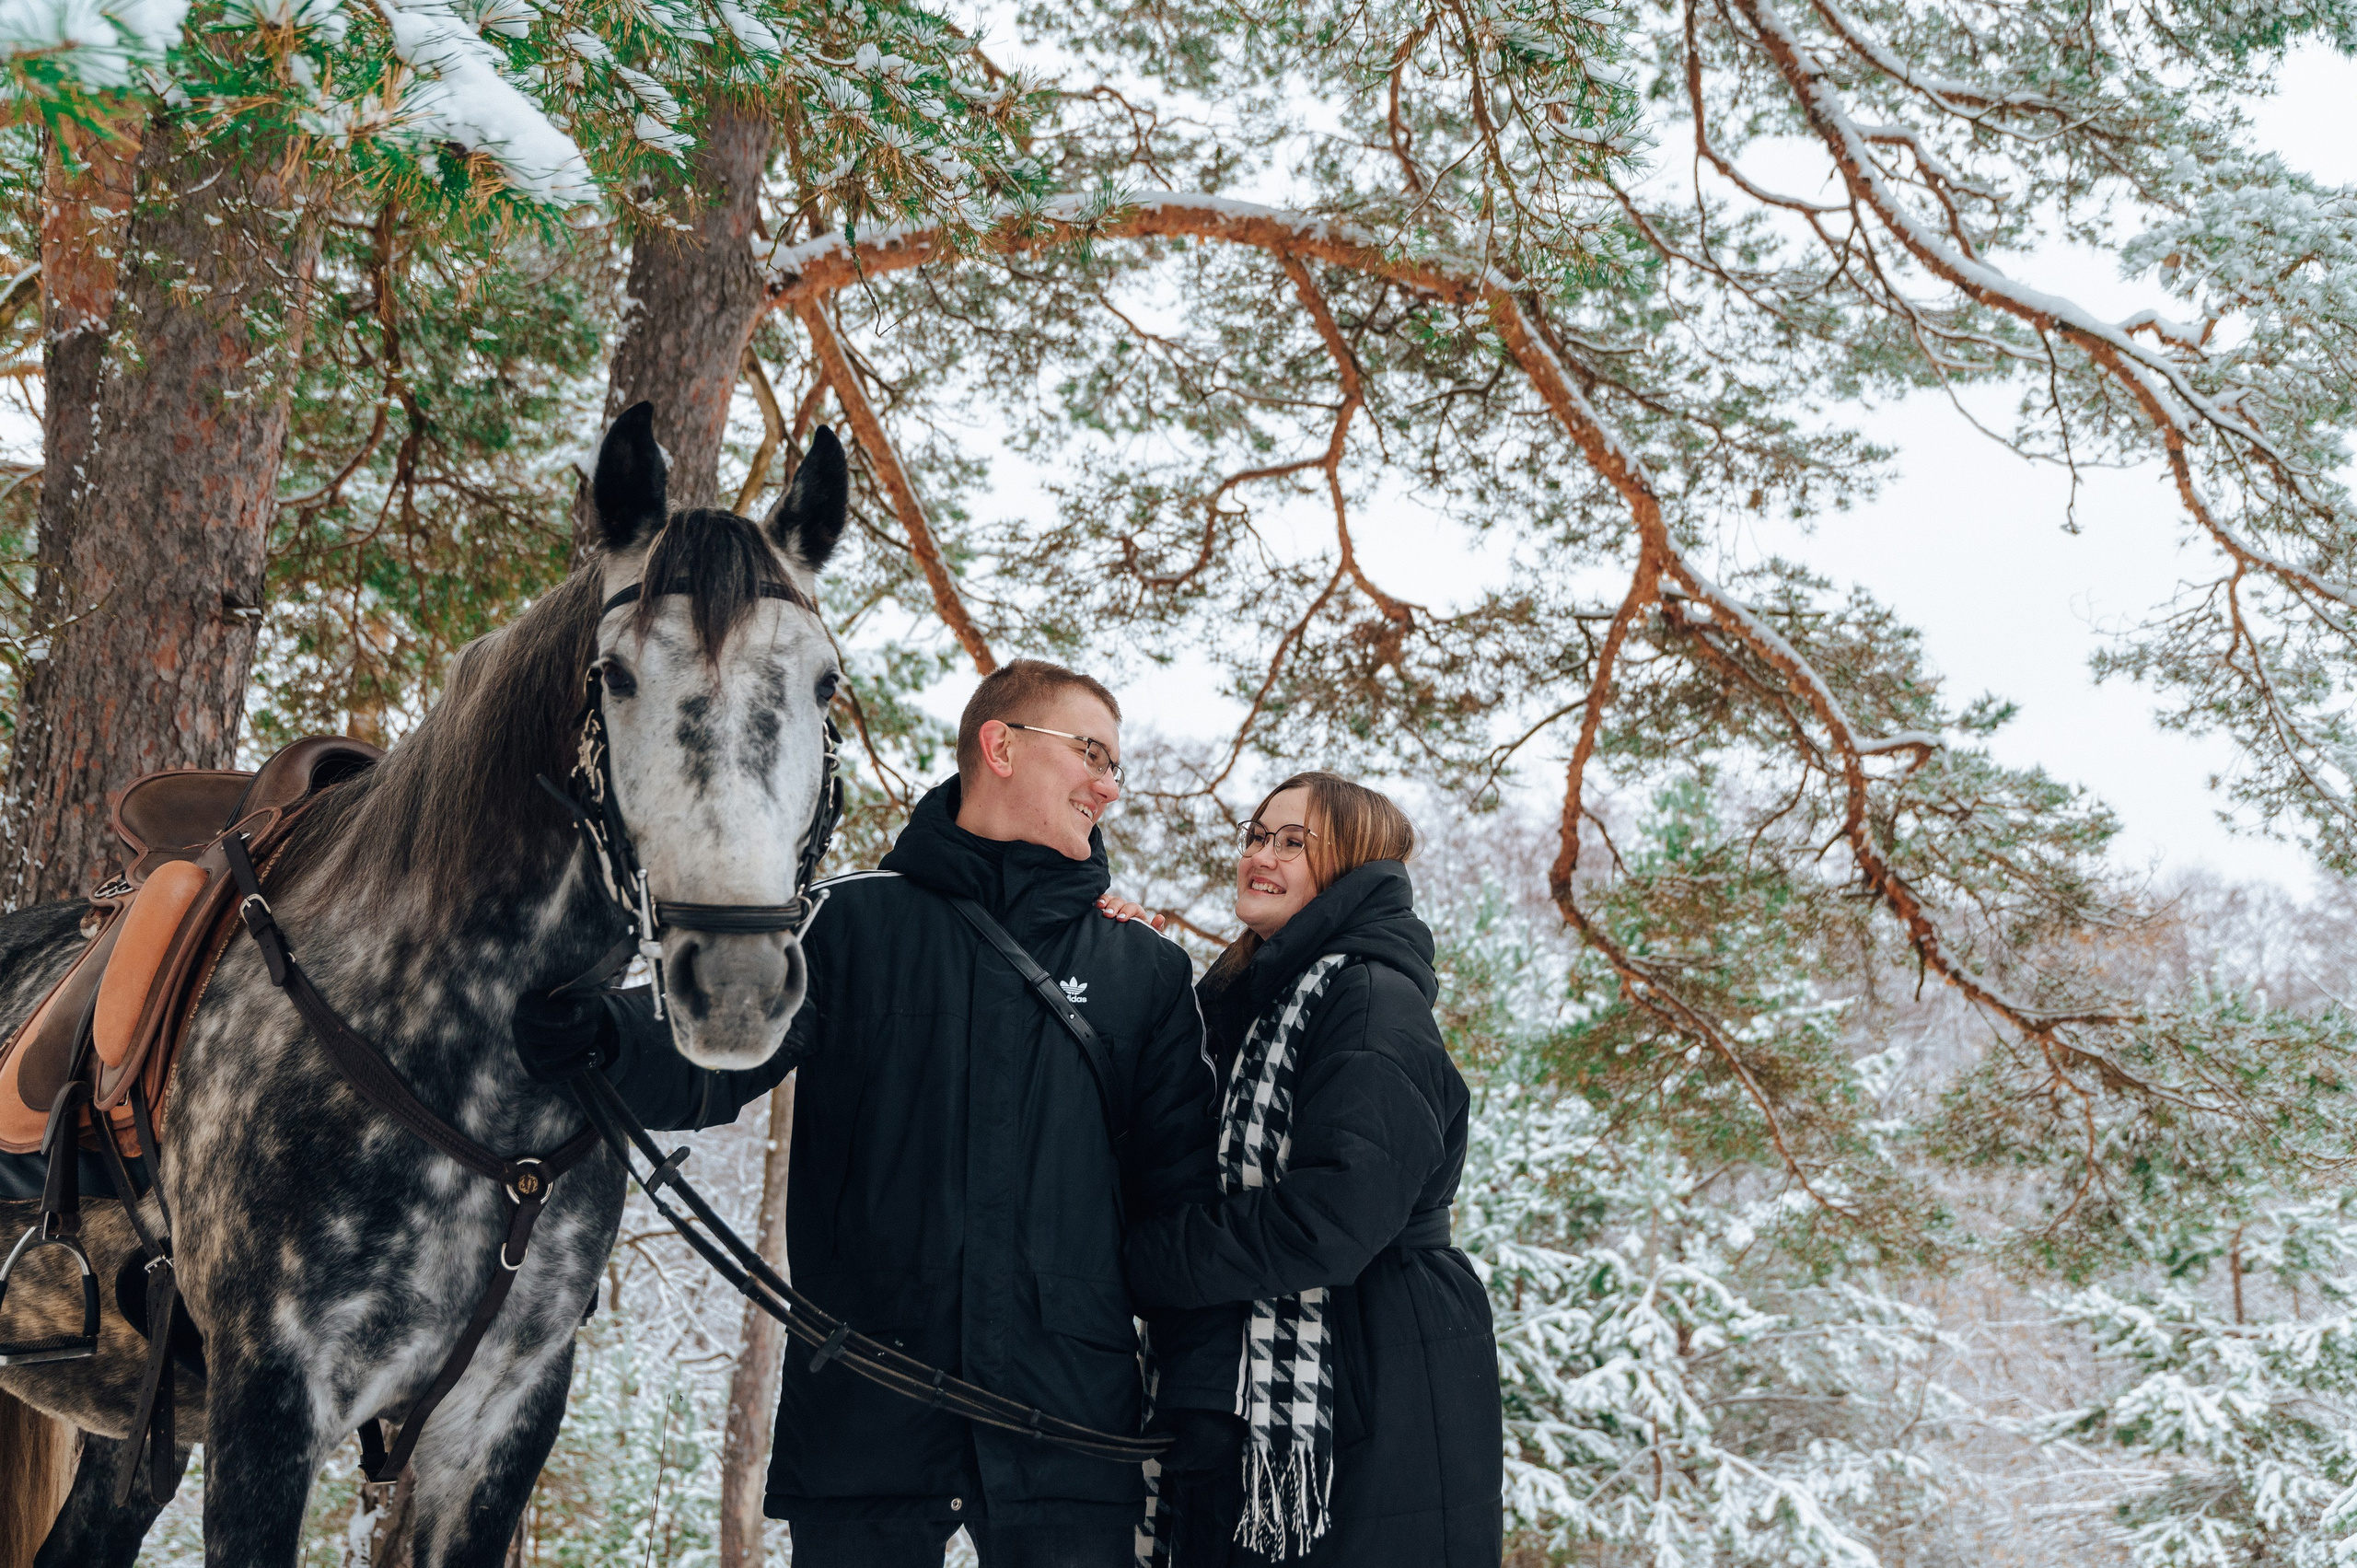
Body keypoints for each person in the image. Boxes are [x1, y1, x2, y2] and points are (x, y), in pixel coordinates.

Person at [511, 658, 1245, 1568]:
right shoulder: (845, 924)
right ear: (1001, 745)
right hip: (868, 1421)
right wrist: (609, 1033)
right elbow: (725, 1039)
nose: (1110, 785)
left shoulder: (1144, 969)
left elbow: (1179, 1206)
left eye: (1114, 763)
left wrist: (1204, 1400)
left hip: (1066, 1432)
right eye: (1091, 752)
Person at [1120, 772, 1504, 1567]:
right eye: (1257, 835)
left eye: (1293, 841)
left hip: (1368, 1370)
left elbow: (1335, 1215)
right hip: (1295, 1363)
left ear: (1352, 863)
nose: (1261, 855)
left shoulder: (1367, 999)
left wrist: (1149, 1260)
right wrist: (1121, 959)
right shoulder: (1258, 996)